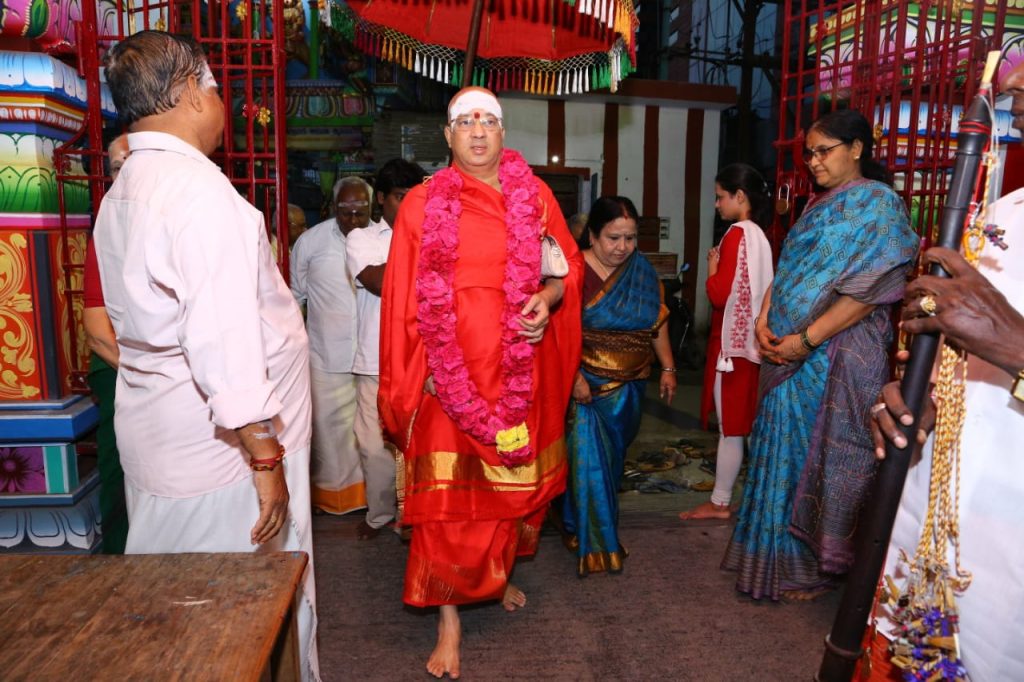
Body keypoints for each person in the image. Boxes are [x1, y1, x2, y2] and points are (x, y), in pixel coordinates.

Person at [93, 31, 318, 679]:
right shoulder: (197, 194)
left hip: (163, 431)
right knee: (233, 613)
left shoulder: (125, 189)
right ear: (191, 91)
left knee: (171, 598)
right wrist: (265, 455)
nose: (222, 106)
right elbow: (222, 339)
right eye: (217, 89)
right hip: (221, 454)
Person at [379, 87, 583, 679]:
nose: (476, 131)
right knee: (450, 504)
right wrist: (419, 370)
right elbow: (402, 297)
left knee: (509, 494)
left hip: (518, 367)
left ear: (502, 133)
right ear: (447, 136)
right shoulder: (421, 205)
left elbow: (566, 269)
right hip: (448, 376)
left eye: (487, 121)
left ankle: (494, 579)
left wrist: (548, 298)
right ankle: (448, 620)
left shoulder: (536, 196)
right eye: (464, 121)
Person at [864, 61, 1024, 681]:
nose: (1011, 86)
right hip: (936, 523)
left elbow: (1004, 342)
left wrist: (1014, 345)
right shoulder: (1005, 215)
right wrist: (921, 398)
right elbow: (965, 364)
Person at [721, 109, 919, 601]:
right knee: (781, 453)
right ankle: (771, 561)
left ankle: (813, 569)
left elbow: (867, 294)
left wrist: (804, 341)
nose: (813, 162)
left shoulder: (879, 206)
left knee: (824, 459)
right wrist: (764, 320)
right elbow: (789, 269)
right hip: (785, 353)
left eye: (823, 151)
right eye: (808, 154)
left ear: (856, 149)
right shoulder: (816, 204)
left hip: (838, 356)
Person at [559, 196, 676, 576]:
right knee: (587, 462)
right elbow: (559, 333)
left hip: (631, 386)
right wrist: (573, 376)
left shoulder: (641, 271)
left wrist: (668, 367)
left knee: (610, 465)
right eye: (613, 238)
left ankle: (577, 524)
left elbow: (656, 323)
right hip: (585, 387)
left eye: (630, 238)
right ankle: (599, 543)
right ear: (592, 235)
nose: (623, 247)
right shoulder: (571, 271)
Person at [681, 164, 774, 521]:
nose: (717, 204)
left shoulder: (735, 234)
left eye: (721, 197)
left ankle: (719, 502)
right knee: (748, 427)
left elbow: (719, 295)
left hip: (731, 350)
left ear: (740, 196)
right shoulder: (760, 235)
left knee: (731, 429)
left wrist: (711, 267)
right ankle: (757, 500)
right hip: (754, 345)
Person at [345, 158, 425, 540]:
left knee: (420, 444)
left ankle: (417, 516)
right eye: (399, 197)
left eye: (414, 197)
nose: (408, 205)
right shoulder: (361, 238)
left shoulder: (432, 235)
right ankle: (379, 515)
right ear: (381, 199)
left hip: (422, 361)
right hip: (376, 361)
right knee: (374, 447)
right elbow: (377, 281)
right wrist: (419, 254)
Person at [290, 177, 369, 516]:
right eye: (345, 211)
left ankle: (367, 496)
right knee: (327, 431)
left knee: (367, 431)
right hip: (325, 355)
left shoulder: (384, 239)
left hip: (370, 355)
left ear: (371, 207)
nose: (353, 219)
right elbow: (295, 296)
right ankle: (330, 498)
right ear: (332, 208)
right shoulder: (311, 242)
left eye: (360, 212)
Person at [82, 133, 131, 553]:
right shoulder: (107, 226)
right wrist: (148, 375)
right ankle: (121, 558)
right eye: (118, 167)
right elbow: (98, 333)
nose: (128, 173)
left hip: (178, 371)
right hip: (120, 367)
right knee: (121, 467)